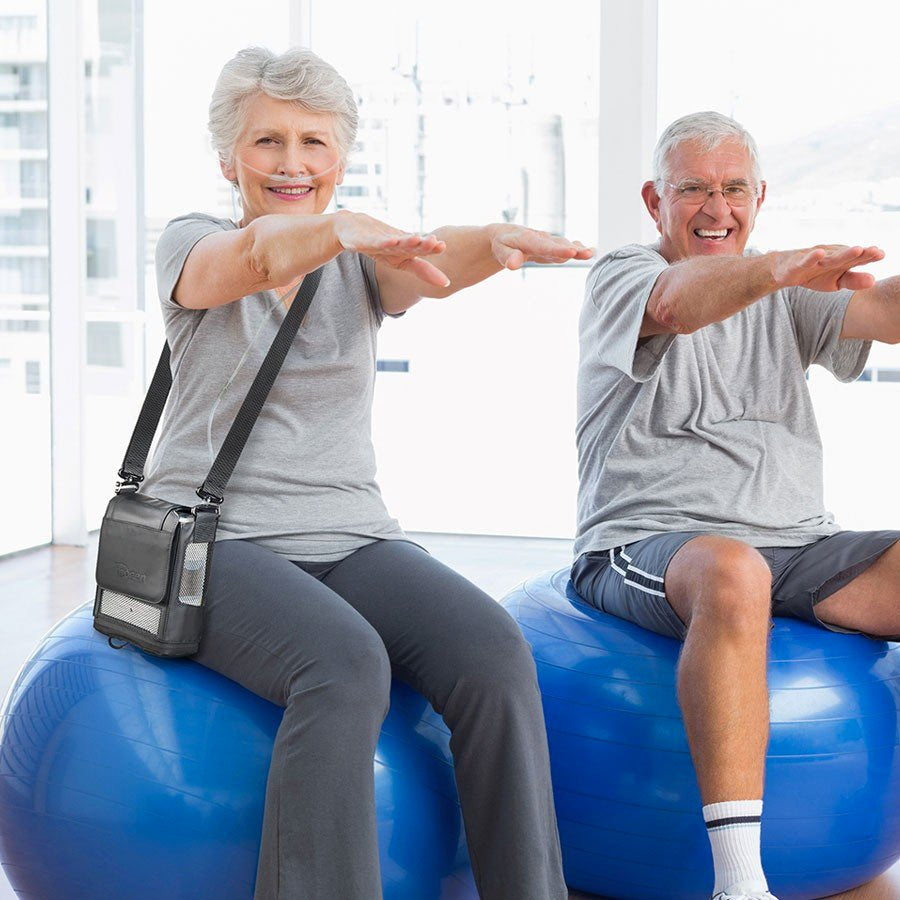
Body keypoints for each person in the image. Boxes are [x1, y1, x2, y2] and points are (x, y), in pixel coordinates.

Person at [143, 45, 592, 900]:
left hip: (348, 535)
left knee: (494, 651)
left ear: (340, 158)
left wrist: (493, 241)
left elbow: (433, 262)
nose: (292, 162)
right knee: (344, 663)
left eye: (313, 142)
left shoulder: (358, 261)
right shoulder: (192, 244)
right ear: (229, 160)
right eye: (268, 141)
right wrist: (340, 227)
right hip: (211, 544)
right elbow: (262, 257)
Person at [571, 110, 900, 900]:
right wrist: (781, 268)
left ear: (760, 197)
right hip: (645, 540)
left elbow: (885, 315)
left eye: (734, 190)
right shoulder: (624, 276)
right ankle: (741, 884)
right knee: (733, 572)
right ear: (655, 200)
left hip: (796, 541)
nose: (716, 209)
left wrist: (793, 275)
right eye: (694, 189)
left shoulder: (782, 288)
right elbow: (678, 304)